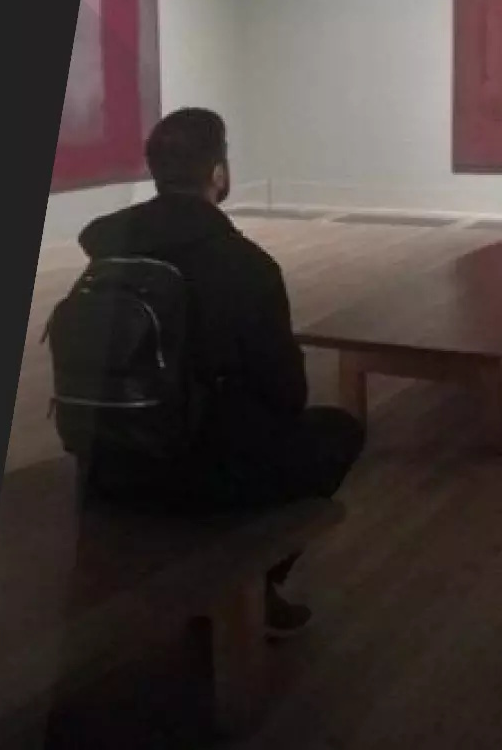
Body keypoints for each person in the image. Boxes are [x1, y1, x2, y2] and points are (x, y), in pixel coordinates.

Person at [73, 107, 365, 637]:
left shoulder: (106, 256)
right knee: (340, 431)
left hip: (109, 467)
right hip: (202, 474)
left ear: (157, 173)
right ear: (218, 173)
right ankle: (254, 588)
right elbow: (287, 394)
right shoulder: (246, 265)